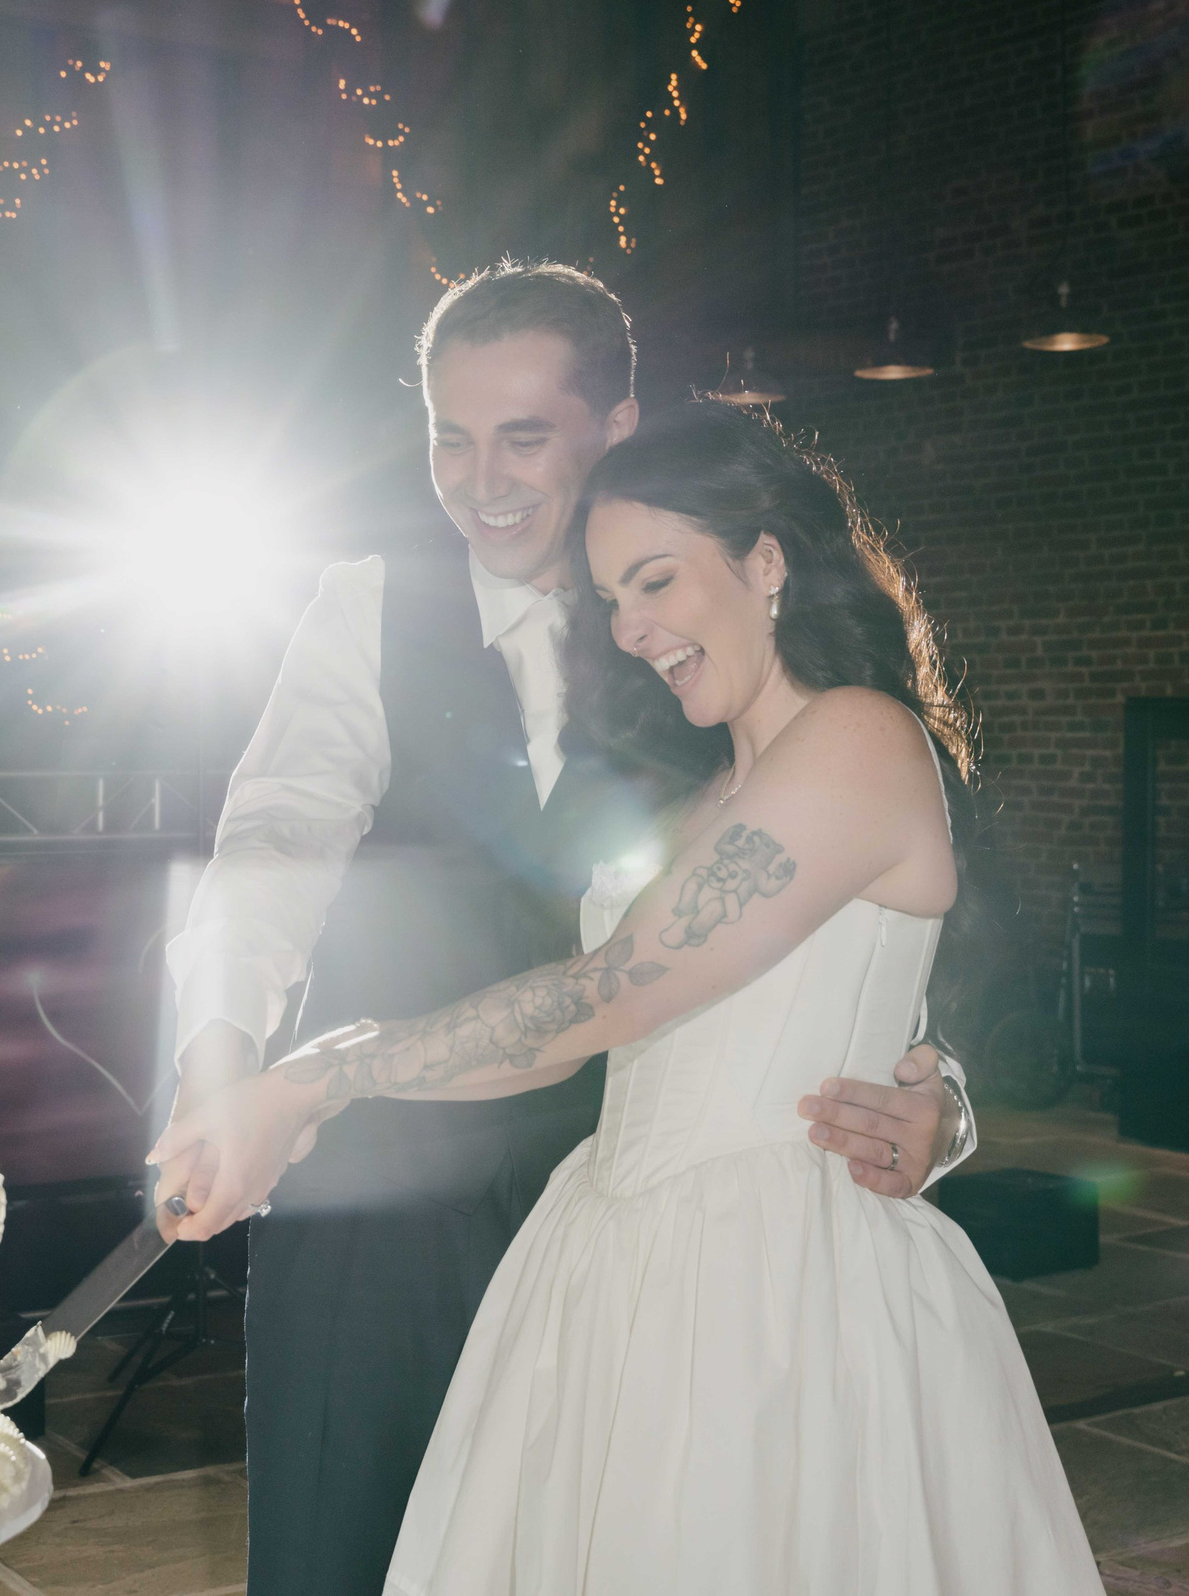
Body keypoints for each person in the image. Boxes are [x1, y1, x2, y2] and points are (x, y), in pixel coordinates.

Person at [155, 399, 1102, 1594]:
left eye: (656, 581)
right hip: (612, 1247)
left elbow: (609, 992)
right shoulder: (706, 782)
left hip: (767, 1278)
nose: (633, 627)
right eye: (610, 599)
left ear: (764, 563)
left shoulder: (858, 739)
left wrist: (324, 1071)